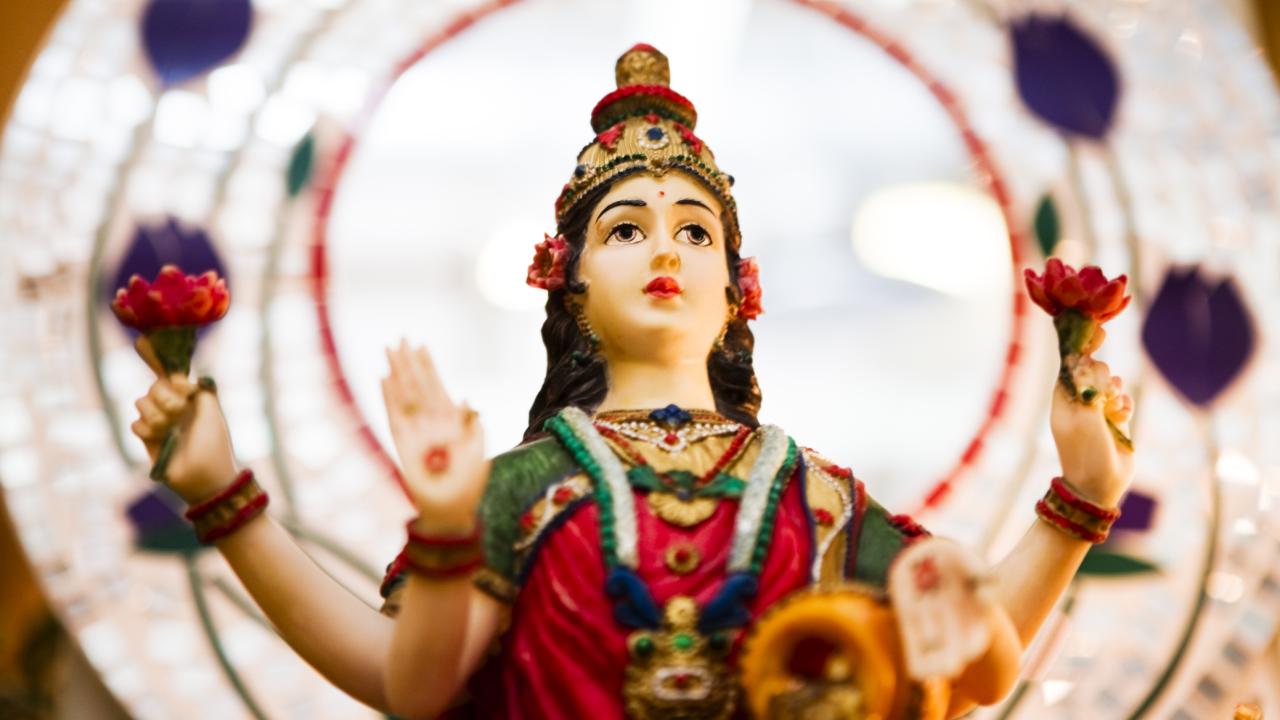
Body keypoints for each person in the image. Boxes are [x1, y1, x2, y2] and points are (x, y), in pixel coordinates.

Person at [129, 44, 1135, 719]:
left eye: (693, 232)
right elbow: (410, 684)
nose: (665, 250)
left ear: (739, 288)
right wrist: (234, 499)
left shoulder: (808, 492)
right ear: (566, 281)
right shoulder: (522, 488)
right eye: (625, 230)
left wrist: (1078, 495)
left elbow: (957, 664)